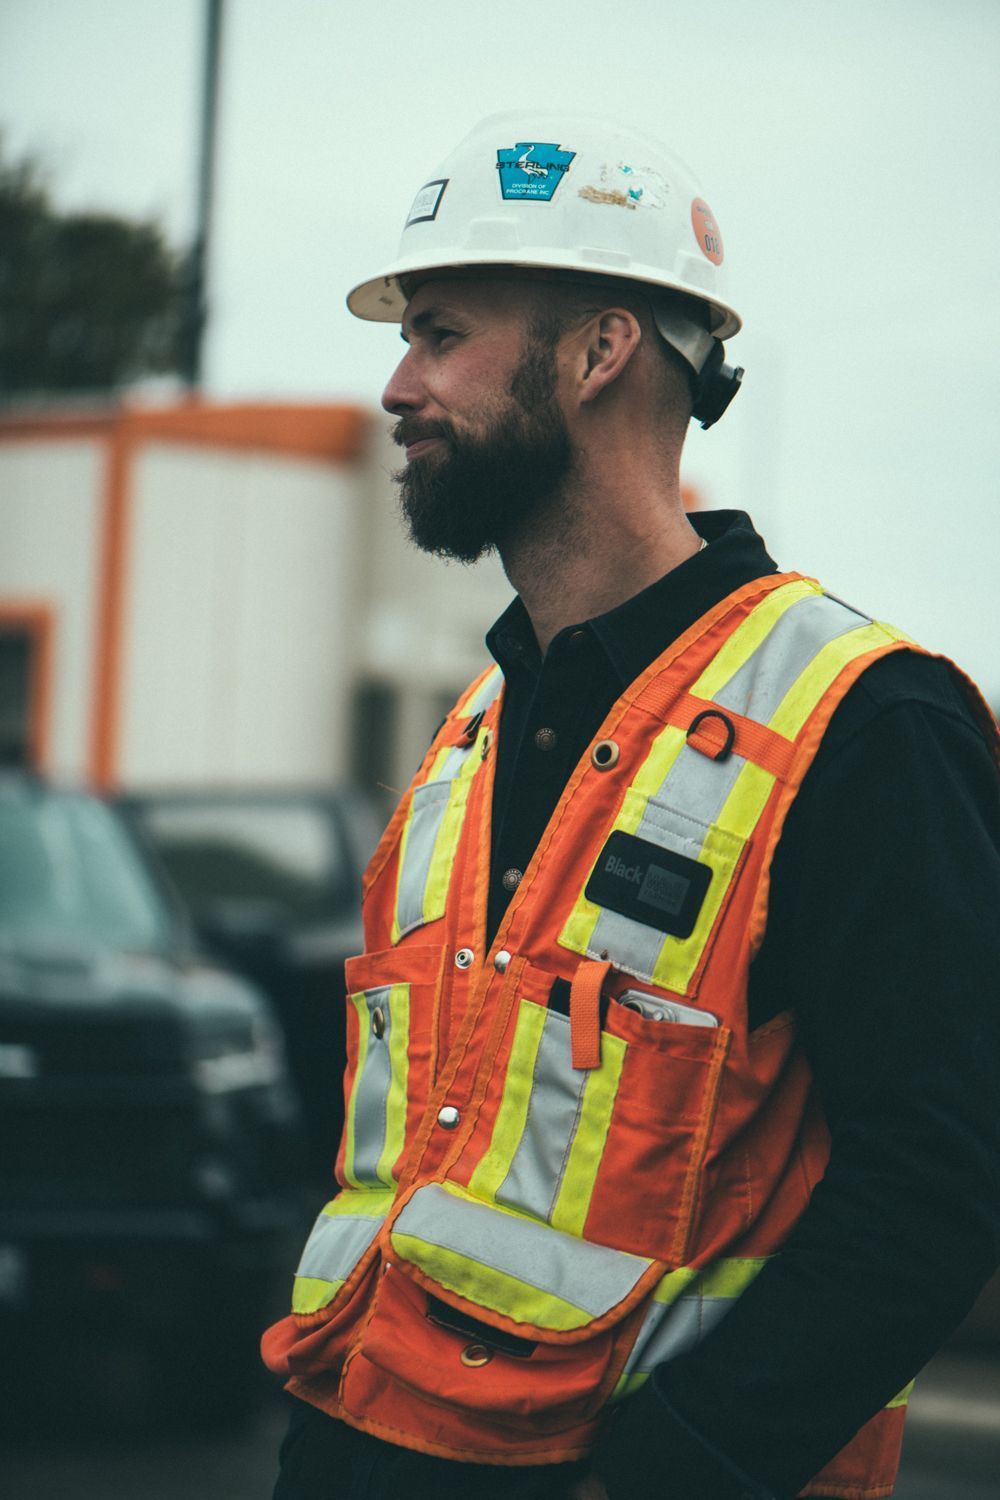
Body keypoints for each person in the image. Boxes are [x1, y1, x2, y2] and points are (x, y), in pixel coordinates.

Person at [262, 112, 1000, 1500]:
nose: (396, 385)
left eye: (439, 332)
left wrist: (672, 1472)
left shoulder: (861, 720)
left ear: (599, 353)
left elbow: (941, 1190)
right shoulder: (483, 721)